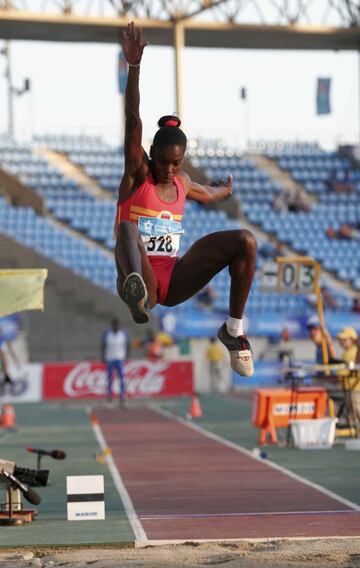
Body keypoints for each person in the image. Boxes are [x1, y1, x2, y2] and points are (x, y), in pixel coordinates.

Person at [113, 22, 256, 377]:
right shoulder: (138, 174)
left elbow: (205, 194)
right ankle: (137, 296)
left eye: (176, 163)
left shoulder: (181, 181)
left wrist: (224, 189)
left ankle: (233, 332)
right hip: (137, 272)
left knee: (246, 241)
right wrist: (134, 68)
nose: (168, 170)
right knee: (128, 229)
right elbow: (133, 119)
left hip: (173, 280)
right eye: (163, 161)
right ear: (151, 154)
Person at [101, 318, 130, 404]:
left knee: (121, 378)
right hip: (110, 358)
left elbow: (128, 344)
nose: (116, 326)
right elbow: (103, 345)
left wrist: (127, 356)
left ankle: (122, 397)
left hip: (120, 358)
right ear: (112, 325)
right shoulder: (107, 333)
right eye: (114, 324)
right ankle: (109, 396)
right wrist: (103, 356)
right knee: (110, 378)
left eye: (117, 324)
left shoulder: (123, 334)